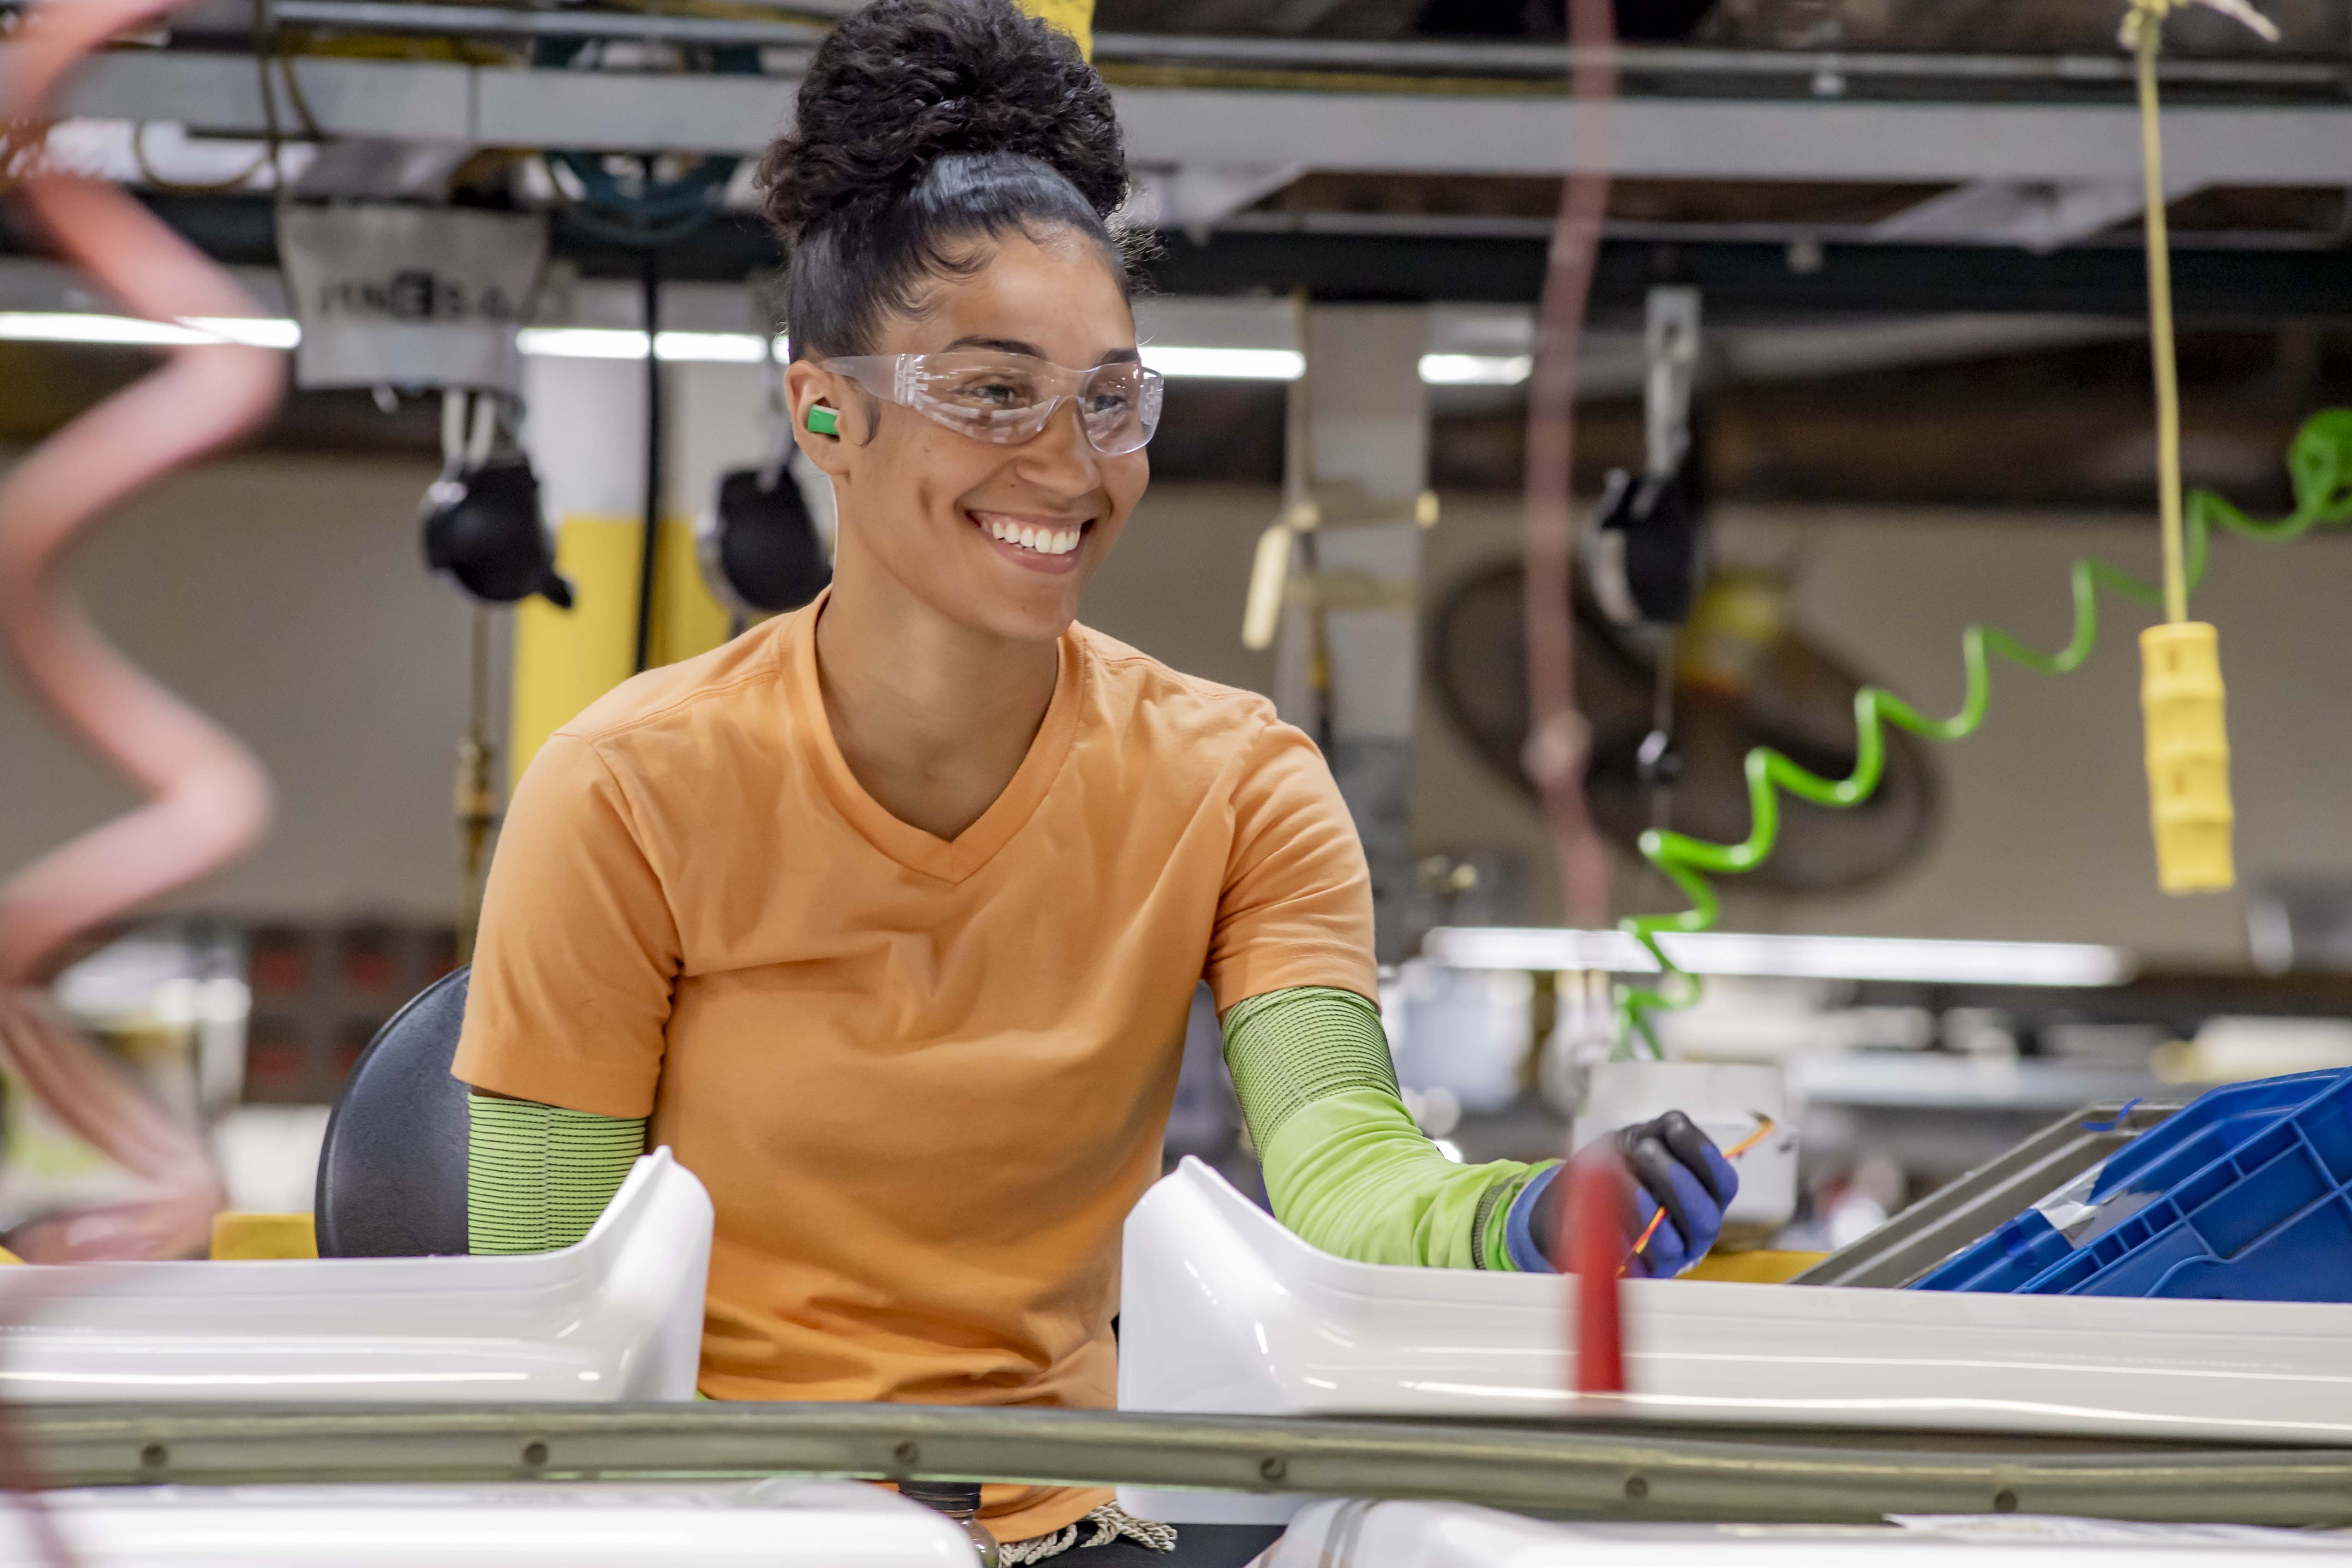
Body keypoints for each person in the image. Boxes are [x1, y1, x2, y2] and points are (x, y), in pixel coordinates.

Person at [452, 2, 1737, 1562]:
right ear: (821, 413)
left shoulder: (1239, 785)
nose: (1068, 466)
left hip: (1061, 1523)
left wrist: (1522, 1223)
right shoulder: (627, 789)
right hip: (719, 1519)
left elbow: (1341, 1164)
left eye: (1110, 400)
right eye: (992, 394)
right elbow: (542, 1301)